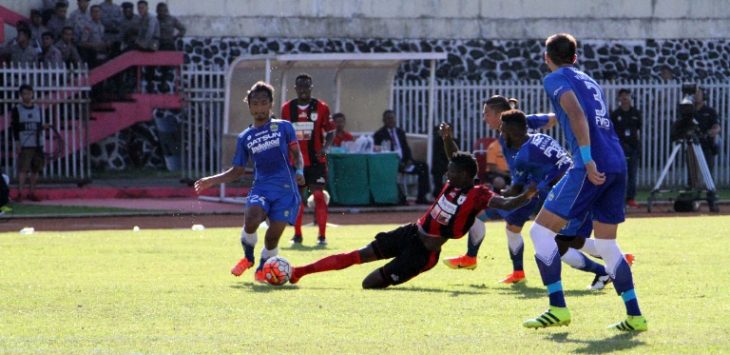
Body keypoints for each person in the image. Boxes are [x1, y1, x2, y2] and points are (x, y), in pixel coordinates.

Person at [523, 33, 646, 331]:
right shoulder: (588, 80)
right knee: (606, 244)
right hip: (617, 163)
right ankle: (635, 316)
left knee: (540, 233)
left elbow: (576, 114)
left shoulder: (553, 78)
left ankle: (557, 309)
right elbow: (576, 113)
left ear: (546, 57)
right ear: (575, 57)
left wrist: (587, 159)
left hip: (591, 165)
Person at [289, 149, 538, 288]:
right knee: (358, 254)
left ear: (463, 174)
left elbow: (504, 203)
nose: (446, 173)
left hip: (423, 254)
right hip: (410, 232)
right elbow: (457, 157)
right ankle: (300, 271)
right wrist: (447, 139)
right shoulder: (452, 182)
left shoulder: (477, 194)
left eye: (451, 170)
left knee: (370, 283)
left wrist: (527, 195)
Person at [442, 112, 617, 291]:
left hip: (567, 196)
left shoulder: (524, 156)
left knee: (557, 244)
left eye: (503, 130)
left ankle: (606, 269)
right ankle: (614, 258)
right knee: (570, 240)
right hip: (579, 188)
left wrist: (506, 194)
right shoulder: (540, 137)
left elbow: (520, 187)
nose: (500, 134)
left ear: (512, 132)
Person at [194, 81, 305, 283]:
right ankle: (248, 257)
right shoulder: (245, 137)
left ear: (271, 104)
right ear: (249, 106)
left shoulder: (284, 127)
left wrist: (299, 170)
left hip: (286, 191)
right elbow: (237, 170)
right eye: (255, 104)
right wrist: (212, 180)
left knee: (272, 238)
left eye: (263, 103)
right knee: (252, 217)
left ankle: (263, 268)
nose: (259, 108)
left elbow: (297, 155)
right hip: (262, 187)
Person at [442, 95, 555, 282]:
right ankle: (517, 272)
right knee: (513, 229)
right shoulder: (524, 122)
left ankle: (471, 257)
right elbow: (552, 118)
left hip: (528, 190)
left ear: (499, 115)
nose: (483, 117)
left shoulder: (508, 135)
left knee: (477, 212)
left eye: (486, 113)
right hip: (532, 189)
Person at [281, 74, 335, 246]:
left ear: (311, 87)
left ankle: (322, 236)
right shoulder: (287, 108)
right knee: (297, 198)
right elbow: (283, 134)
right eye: (300, 86)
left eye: (306, 86)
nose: (303, 89)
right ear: (295, 88)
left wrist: (325, 150)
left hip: (317, 161)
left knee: (318, 195)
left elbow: (331, 131)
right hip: (295, 161)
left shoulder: (322, 107)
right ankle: (297, 235)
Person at [373, 110, 431, 204]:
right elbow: (379, 151)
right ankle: (401, 198)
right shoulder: (379, 134)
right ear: (384, 120)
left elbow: (406, 149)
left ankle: (422, 197)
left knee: (423, 166)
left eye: (392, 118)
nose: (391, 121)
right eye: (388, 119)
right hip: (391, 163)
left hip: (405, 162)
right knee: (391, 174)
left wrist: (409, 160)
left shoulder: (400, 132)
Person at [11, 85, 47, 202]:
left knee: (35, 169)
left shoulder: (38, 108)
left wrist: (43, 128)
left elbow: (39, 124)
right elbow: (15, 128)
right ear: (21, 95)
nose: (27, 96)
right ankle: (20, 193)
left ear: (32, 94)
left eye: (29, 93)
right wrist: (17, 143)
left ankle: (32, 192)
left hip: (37, 143)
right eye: (24, 94)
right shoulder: (17, 109)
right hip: (25, 143)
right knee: (23, 169)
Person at [610, 89, 642, 208]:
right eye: (622, 96)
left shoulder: (636, 113)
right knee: (621, 174)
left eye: (626, 96)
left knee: (632, 173)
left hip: (633, 147)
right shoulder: (615, 114)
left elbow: (638, 128)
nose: (624, 99)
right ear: (619, 99)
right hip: (620, 148)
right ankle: (619, 198)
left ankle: (631, 198)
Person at [693, 87, 721, 175]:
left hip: (707, 144)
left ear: (704, 96)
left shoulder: (710, 111)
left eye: (699, 94)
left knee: (708, 171)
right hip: (693, 143)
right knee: (693, 171)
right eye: (695, 94)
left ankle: (709, 187)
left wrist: (713, 131)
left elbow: (717, 126)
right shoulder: (690, 111)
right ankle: (693, 186)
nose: (696, 96)